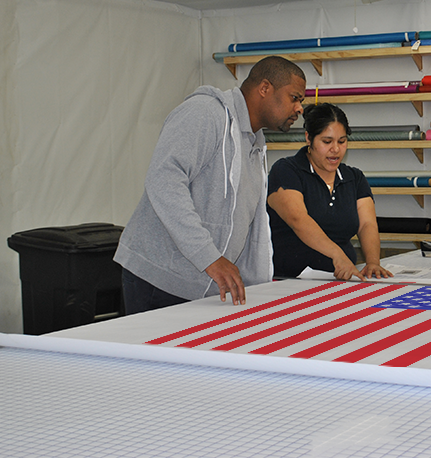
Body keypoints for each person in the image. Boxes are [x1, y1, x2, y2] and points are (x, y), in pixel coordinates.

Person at [114, 56, 306, 314]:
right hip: (160, 279)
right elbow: (164, 180)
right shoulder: (205, 113)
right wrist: (210, 257)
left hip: (205, 281)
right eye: (295, 97)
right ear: (264, 88)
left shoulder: (254, 141)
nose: (299, 108)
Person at [266, 103, 393, 281]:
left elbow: (367, 225)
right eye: (327, 142)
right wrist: (338, 256)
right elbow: (298, 220)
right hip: (288, 281)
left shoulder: (354, 177)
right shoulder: (286, 171)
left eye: (342, 141)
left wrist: (372, 262)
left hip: (341, 279)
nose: (335, 149)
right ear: (308, 138)